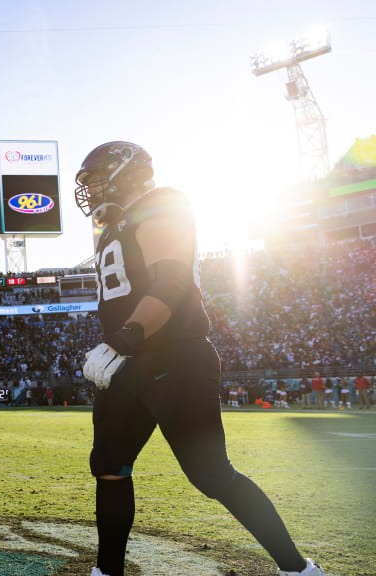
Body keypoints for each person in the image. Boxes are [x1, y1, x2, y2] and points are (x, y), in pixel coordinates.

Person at [74, 141, 322, 576]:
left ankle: (299, 569)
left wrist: (124, 338)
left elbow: (170, 284)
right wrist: (122, 346)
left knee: (210, 474)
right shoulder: (113, 226)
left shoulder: (161, 207)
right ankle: (107, 571)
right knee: (109, 466)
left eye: (95, 178)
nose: (90, 189)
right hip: (129, 363)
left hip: (175, 359)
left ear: (126, 173)